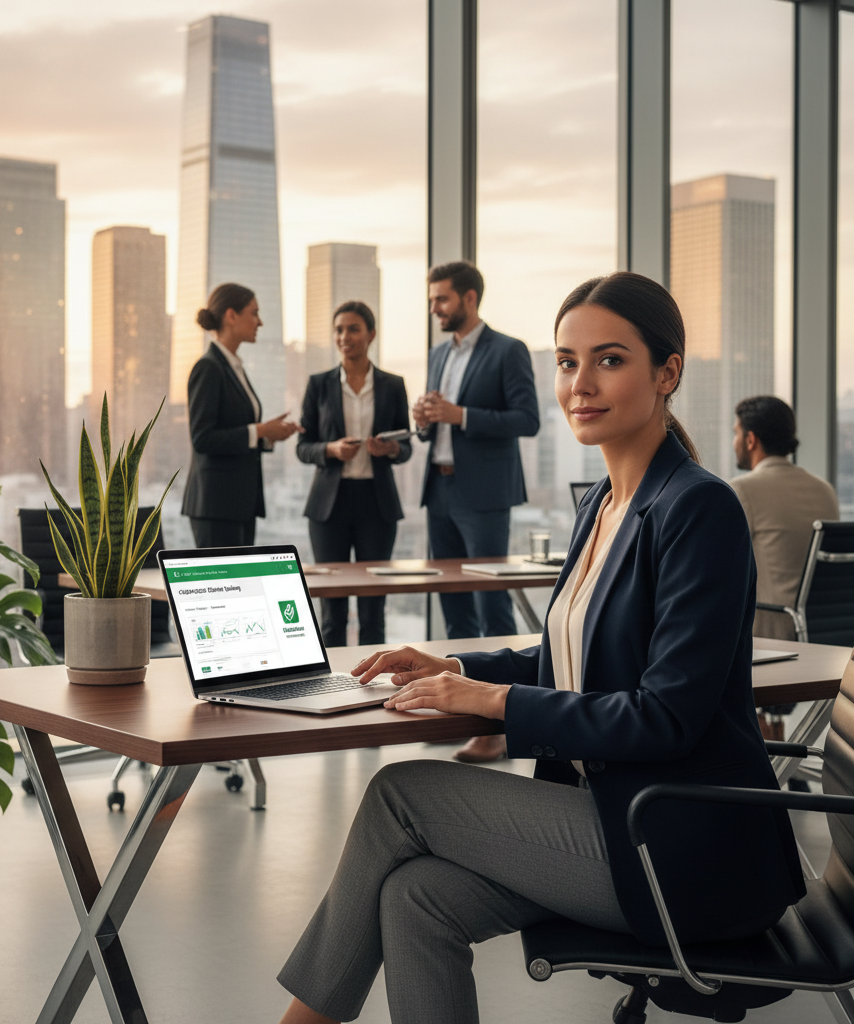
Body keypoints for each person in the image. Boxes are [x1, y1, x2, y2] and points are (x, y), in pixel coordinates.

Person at [274, 272, 804, 1024]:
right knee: (414, 896)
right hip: (606, 817)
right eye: (565, 362)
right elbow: (575, 662)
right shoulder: (602, 506)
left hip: (680, 843)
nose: (579, 384)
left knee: (400, 793)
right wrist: (454, 667)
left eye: (609, 360)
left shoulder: (697, 507)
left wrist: (492, 703)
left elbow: (666, 718)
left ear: (668, 372)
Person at [414, 261, 539, 764]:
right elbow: (434, 426)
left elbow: (526, 418)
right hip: (439, 491)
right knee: (454, 607)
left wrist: (459, 414)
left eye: (441, 299)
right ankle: (456, 713)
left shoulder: (508, 350)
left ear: (468, 298)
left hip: (484, 496)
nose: (434, 309)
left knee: (491, 608)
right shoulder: (438, 353)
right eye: (431, 301)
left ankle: (497, 724)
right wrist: (424, 418)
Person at [297, 301, 412, 647]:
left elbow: (405, 446)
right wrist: (330, 449)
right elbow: (303, 447)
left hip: (377, 504)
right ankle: (331, 685)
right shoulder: (319, 384)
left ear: (371, 335)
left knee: (373, 606)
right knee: (331, 608)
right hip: (329, 506)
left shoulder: (393, 385)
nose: (344, 337)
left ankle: (373, 684)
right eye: (339, 330)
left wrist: (389, 449)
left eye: (353, 329)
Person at [181, 283, 300, 547]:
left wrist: (269, 436)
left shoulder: (233, 367)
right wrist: (259, 431)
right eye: (254, 313)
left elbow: (237, 431)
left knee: (240, 587)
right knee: (223, 586)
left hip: (238, 505)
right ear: (231, 316)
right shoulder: (209, 368)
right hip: (215, 506)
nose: (260, 322)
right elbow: (203, 438)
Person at [730, 395, 839, 641]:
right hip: (822, 637)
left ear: (750, 439)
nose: (733, 441)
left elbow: (718, 568)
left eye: (735, 433)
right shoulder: (825, 490)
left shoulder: (742, 490)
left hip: (770, 635)